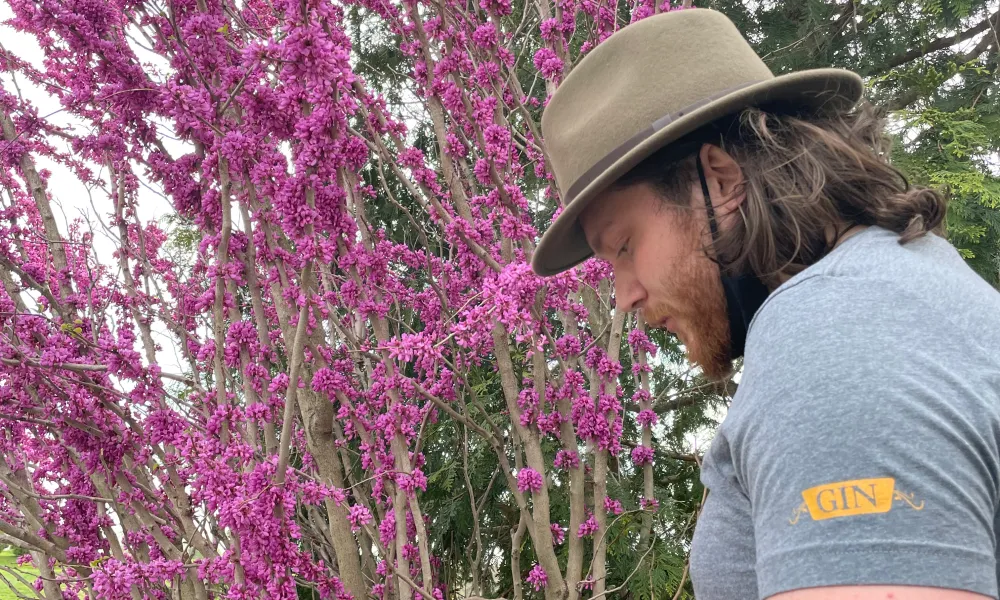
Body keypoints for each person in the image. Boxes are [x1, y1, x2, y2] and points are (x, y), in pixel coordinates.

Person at [530, 7, 1000, 600]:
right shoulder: (907, 287)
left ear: (722, 182)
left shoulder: (834, 339)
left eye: (624, 245)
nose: (624, 297)